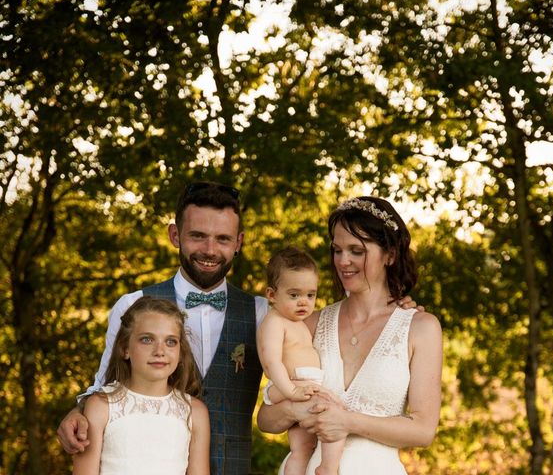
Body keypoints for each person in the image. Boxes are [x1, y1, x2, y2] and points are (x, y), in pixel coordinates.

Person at [59, 182, 269, 475]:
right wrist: (76, 412)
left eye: (223, 239)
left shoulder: (262, 312)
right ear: (175, 235)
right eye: (197, 236)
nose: (210, 250)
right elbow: (105, 383)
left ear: (239, 243)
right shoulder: (134, 304)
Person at [257, 196, 443, 475]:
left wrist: (347, 422)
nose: (343, 261)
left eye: (357, 250)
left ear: (390, 254)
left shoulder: (420, 328)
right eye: (337, 250)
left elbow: (423, 430)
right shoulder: (310, 323)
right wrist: (296, 411)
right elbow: (266, 419)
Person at [72, 296, 210, 475]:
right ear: (125, 348)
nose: (160, 351)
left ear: (181, 352)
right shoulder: (101, 406)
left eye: (170, 342)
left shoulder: (195, 412)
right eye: (147, 339)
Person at [257, 247, 344, 475]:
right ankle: (328, 467)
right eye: (294, 295)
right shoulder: (275, 322)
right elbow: (271, 363)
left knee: (302, 448)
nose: (303, 302)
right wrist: (292, 391)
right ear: (272, 295)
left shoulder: (300, 322)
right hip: (291, 385)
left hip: (304, 385)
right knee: (336, 416)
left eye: (310, 295)